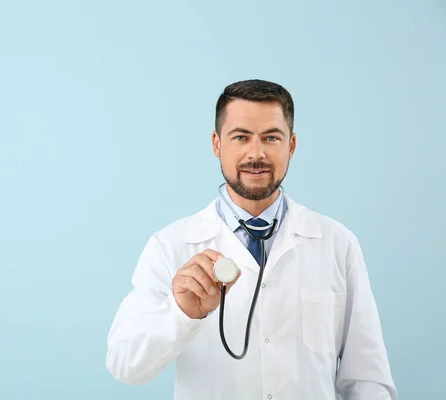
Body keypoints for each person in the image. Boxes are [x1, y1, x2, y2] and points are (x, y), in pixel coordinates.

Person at [106, 79, 398, 399]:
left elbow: (368, 379)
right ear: (217, 144)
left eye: (271, 137)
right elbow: (125, 364)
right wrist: (181, 313)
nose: (255, 154)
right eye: (241, 137)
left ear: (292, 145)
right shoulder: (171, 246)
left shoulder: (336, 243)